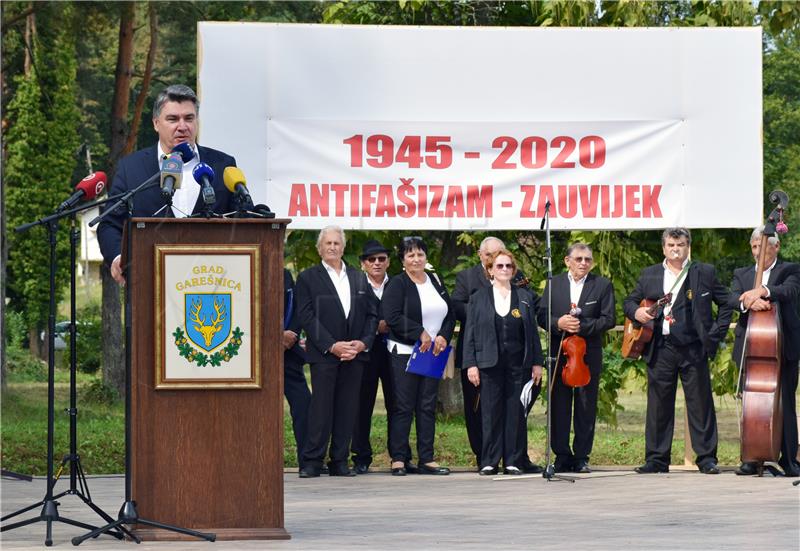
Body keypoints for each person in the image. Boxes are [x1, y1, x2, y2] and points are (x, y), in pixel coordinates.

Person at [97, 84, 237, 281]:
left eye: (189, 118)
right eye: (172, 119)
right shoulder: (132, 168)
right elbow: (110, 223)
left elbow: (243, 216)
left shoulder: (222, 164)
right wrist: (117, 258)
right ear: (156, 123)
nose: (182, 126)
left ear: (197, 121)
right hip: (148, 282)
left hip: (211, 283)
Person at [623, 227, 733, 475]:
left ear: (688, 246)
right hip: (660, 347)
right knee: (658, 405)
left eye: (680, 244)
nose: (676, 249)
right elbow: (629, 302)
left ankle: (706, 458)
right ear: (664, 247)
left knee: (700, 403)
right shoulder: (649, 274)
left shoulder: (703, 272)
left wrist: (715, 333)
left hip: (693, 348)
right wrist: (636, 313)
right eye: (671, 245)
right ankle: (657, 459)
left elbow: (727, 301)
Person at [295, 226, 378, 478]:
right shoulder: (308, 277)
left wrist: (362, 343)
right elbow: (306, 316)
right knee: (321, 408)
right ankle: (312, 461)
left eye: (336, 243)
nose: (332, 247)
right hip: (324, 354)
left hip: (355, 354)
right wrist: (331, 345)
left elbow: (372, 315)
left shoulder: (358, 277)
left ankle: (339, 461)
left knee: (347, 408)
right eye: (327, 243)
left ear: (343, 247)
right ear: (319, 248)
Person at [452, 236, 541, 472]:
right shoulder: (478, 298)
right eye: (499, 266)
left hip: (517, 364)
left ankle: (512, 460)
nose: (504, 269)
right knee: (489, 412)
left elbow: (531, 333)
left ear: (513, 270)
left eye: (508, 266)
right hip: (488, 363)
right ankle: (489, 461)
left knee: (515, 412)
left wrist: (537, 363)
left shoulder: (524, 297)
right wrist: (471, 364)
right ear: (490, 270)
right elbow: (469, 333)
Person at [537, 243, 616, 473]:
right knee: (559, 406)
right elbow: (542, 315)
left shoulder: (601, 285)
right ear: (567, 261)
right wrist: (557, 323)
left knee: (585, 406)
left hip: (586, 355)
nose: (583, 263)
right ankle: (561, 455)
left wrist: (583, 326)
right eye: (579, 259)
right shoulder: (554, 284)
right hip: (559, 353)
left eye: (588, 260)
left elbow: (609, 319)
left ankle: (582, 456)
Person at [730, 227, 800, 477]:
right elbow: (731, 299)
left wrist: (765, 291)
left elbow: (790, 291)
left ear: (776, 246)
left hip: (784, 348)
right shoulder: (742, 273)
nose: (758, 252)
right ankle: (751, 456)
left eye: (763, 246)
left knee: (785, 403)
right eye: (754, 247)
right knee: (751, 404)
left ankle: (789, 459)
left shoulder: (790, 269)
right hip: (751, 348)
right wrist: (747, 300)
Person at [382, 236, 455, 476]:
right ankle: (399, 459)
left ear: (426, 257)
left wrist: (443, 335)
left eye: (420, 254)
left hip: (433, 352)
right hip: (405, 352)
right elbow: (391, 315)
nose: (416, 259)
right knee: (403, 406)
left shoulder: (435, 279)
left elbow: (450, 312)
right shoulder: (397, 283)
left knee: (426, 406)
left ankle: (427, 458)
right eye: (410, 255)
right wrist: (419, 333)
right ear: (403, 260)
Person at [350, 240, 396, 474]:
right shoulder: (354, 285)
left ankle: (399, 455)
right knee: (362, 405)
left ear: (388, 261)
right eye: (371, 259)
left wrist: (392, 325)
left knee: (397, 405)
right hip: (365, 354)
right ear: (363, 264)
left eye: (381, 258)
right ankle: (360, 457)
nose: (376, 263)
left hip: (393, 353)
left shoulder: (398, 284)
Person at [283, 268, 311, 471]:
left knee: (304, 406)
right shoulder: (241, 270)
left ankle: (307, 460)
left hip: (288, 354)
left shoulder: (284, 274)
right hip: (253, 357)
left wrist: (290, 333)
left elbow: (297, 307)